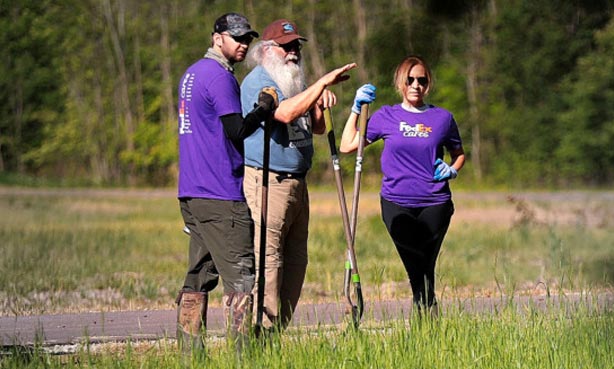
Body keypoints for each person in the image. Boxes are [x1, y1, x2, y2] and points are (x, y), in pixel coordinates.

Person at [240, 18, 356, 332]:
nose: (293, 53)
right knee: (269, 260)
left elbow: (316, 128)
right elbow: (285, 113)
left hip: (297, 183)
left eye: (296, 46)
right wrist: (322, 84)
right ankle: (258, 332)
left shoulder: (294, 81)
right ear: (265, 50)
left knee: (296, 261)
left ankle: (277, 332)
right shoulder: (257, 81)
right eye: (286, 46)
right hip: (268, 182)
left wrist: (319, 103)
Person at [176, 12, 278, 349]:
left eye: (247, 38)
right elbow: (237, 131)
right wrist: (264, 108)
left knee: (199, 275)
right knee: (241, 279)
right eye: (237, 37)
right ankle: (244, 361)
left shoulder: (190, 74)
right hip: (220, 192)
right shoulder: (220, 77)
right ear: (217, 37)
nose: (244, 44)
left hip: (191, 192)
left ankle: (191, 360)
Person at [341, 55, 465, 315]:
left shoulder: (442, 118)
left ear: (428, 84)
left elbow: (459, 153)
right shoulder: (386, 116)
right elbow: (347, 145)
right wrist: (355, 109)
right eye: (410, 79)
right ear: (400, 82)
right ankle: (427, 311)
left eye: (421, 80)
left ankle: (425, 321)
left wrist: (452, 171)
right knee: (414, 260)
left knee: (427, 262)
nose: (415, 85)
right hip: (396, 202)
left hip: (435, 202)